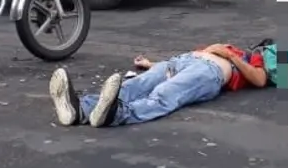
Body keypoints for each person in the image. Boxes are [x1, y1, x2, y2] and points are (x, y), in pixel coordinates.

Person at [48, 44, 269, 127]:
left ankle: (115, 114)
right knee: (133, 85)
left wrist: (230, 55)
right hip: (181, 61)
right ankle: (79, 110)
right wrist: (150, 64)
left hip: (210, 72)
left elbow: (259, 79)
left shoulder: (251, 58)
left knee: (164, 94)